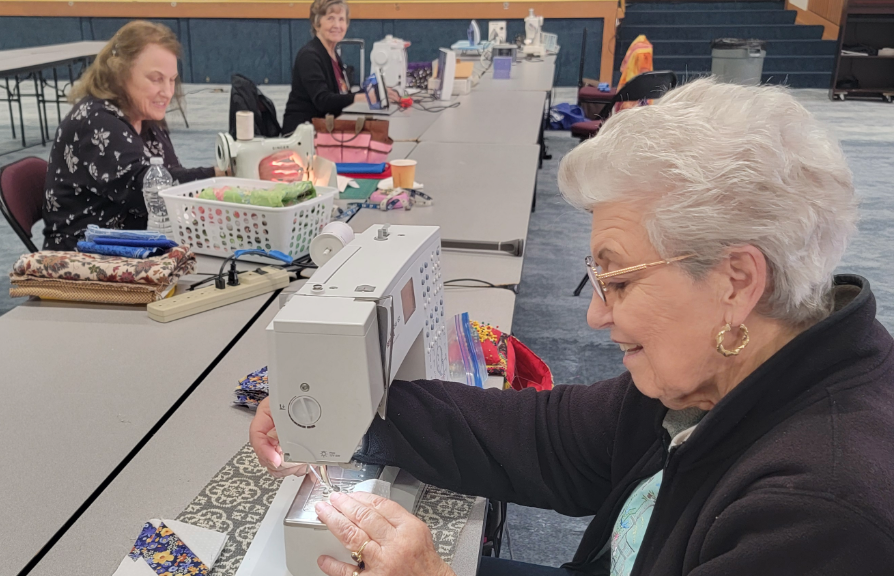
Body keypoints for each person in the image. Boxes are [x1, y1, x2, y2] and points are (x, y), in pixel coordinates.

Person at [251, 79, 894, 576]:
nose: (595, 315)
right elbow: (554, 440)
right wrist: (351, 411)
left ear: (736, 282)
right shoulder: (719, 376)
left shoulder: (823, 514)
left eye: (618, 280)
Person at [42, 20, 224, 250]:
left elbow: (169, 181)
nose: (168, 92)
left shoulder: (144, 118)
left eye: (171, 80)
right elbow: (148, 193)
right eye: (156, 79)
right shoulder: (96, 121)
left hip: (132, 244)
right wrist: (219, 176)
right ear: (120, 74)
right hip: (83, 254)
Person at [282, 0, 401, 134]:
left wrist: (376, 92)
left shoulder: (333, 55)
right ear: (317, 24)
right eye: (330, 18)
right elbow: (323, 101)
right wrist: (366, 98)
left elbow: (341, 97)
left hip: (323, 130)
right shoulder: (309, 56)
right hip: (301, 135)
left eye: (341, 19)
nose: (337, 25)